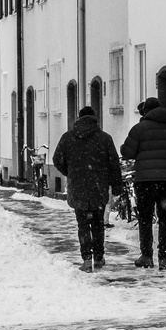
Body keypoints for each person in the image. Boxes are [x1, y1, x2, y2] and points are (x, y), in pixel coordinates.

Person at [52, 105, 123, 273]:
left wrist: (70, 172)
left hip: (78, 187)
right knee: (98, 224)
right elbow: (114, 164)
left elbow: (57, 159)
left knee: (82, 224)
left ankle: (86, 259)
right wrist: (116, 185)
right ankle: (99, 257)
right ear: (94, 119)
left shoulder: (68, 138)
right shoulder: (105, 138)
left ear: (78, 119)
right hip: (98, 186)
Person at [120, 96, 166, 270]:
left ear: (145, 112)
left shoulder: (139, 129)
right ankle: (164, 257)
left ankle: (146, 255)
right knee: (165, 218)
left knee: (145, 218)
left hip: (145, 182)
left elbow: (127, 152)